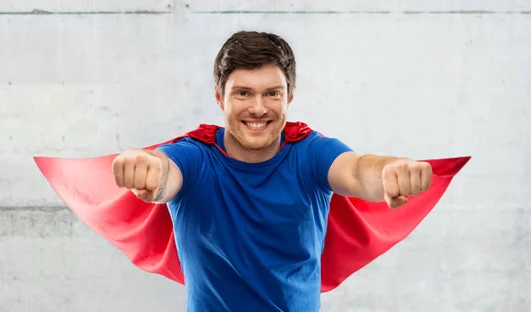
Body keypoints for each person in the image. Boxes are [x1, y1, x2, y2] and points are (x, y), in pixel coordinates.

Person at [111, 31, 433, 312]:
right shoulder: (195, 156)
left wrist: (390, 170)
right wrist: (150, 169)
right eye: (243, 93)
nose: (258, 108)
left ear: (289, 96)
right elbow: (166, 172)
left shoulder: (310, 153)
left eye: (272, 93)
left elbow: (358, 171)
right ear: (220, 99)